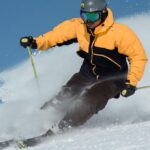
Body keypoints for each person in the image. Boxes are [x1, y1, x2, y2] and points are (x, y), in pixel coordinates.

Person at [20, 0, 148, 130]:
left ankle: (62, 127)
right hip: (87, 74)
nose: (89, 21)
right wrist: (36, 42)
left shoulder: (119, 33)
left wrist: (131, 83)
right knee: (66, 94)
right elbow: (57, 35)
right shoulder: (80, 27)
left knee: (89, 100)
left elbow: (138, 57)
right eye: (85, 16)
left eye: (93, 16)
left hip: (112, 80)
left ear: (103, 13)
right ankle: (38, 121)